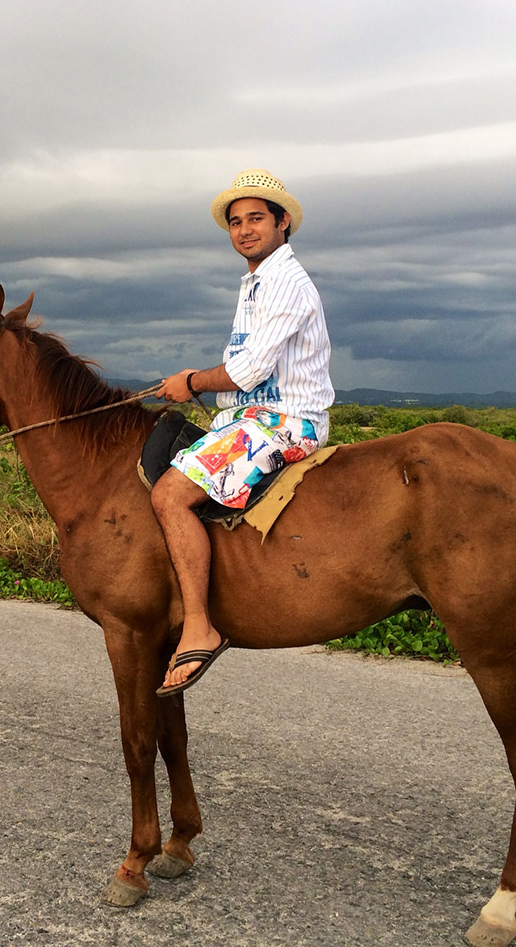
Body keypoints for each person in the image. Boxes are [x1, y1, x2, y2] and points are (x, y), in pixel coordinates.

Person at [151, 168, 334, 696]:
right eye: (236, 222)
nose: (244, 229)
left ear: (283, 223)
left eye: (256, 218)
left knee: (170, 496)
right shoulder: (255, 280)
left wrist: (190, 381)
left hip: (283, 421)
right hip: (248, 418)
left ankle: (199, 625)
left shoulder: (286, 282)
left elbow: (248, 371)